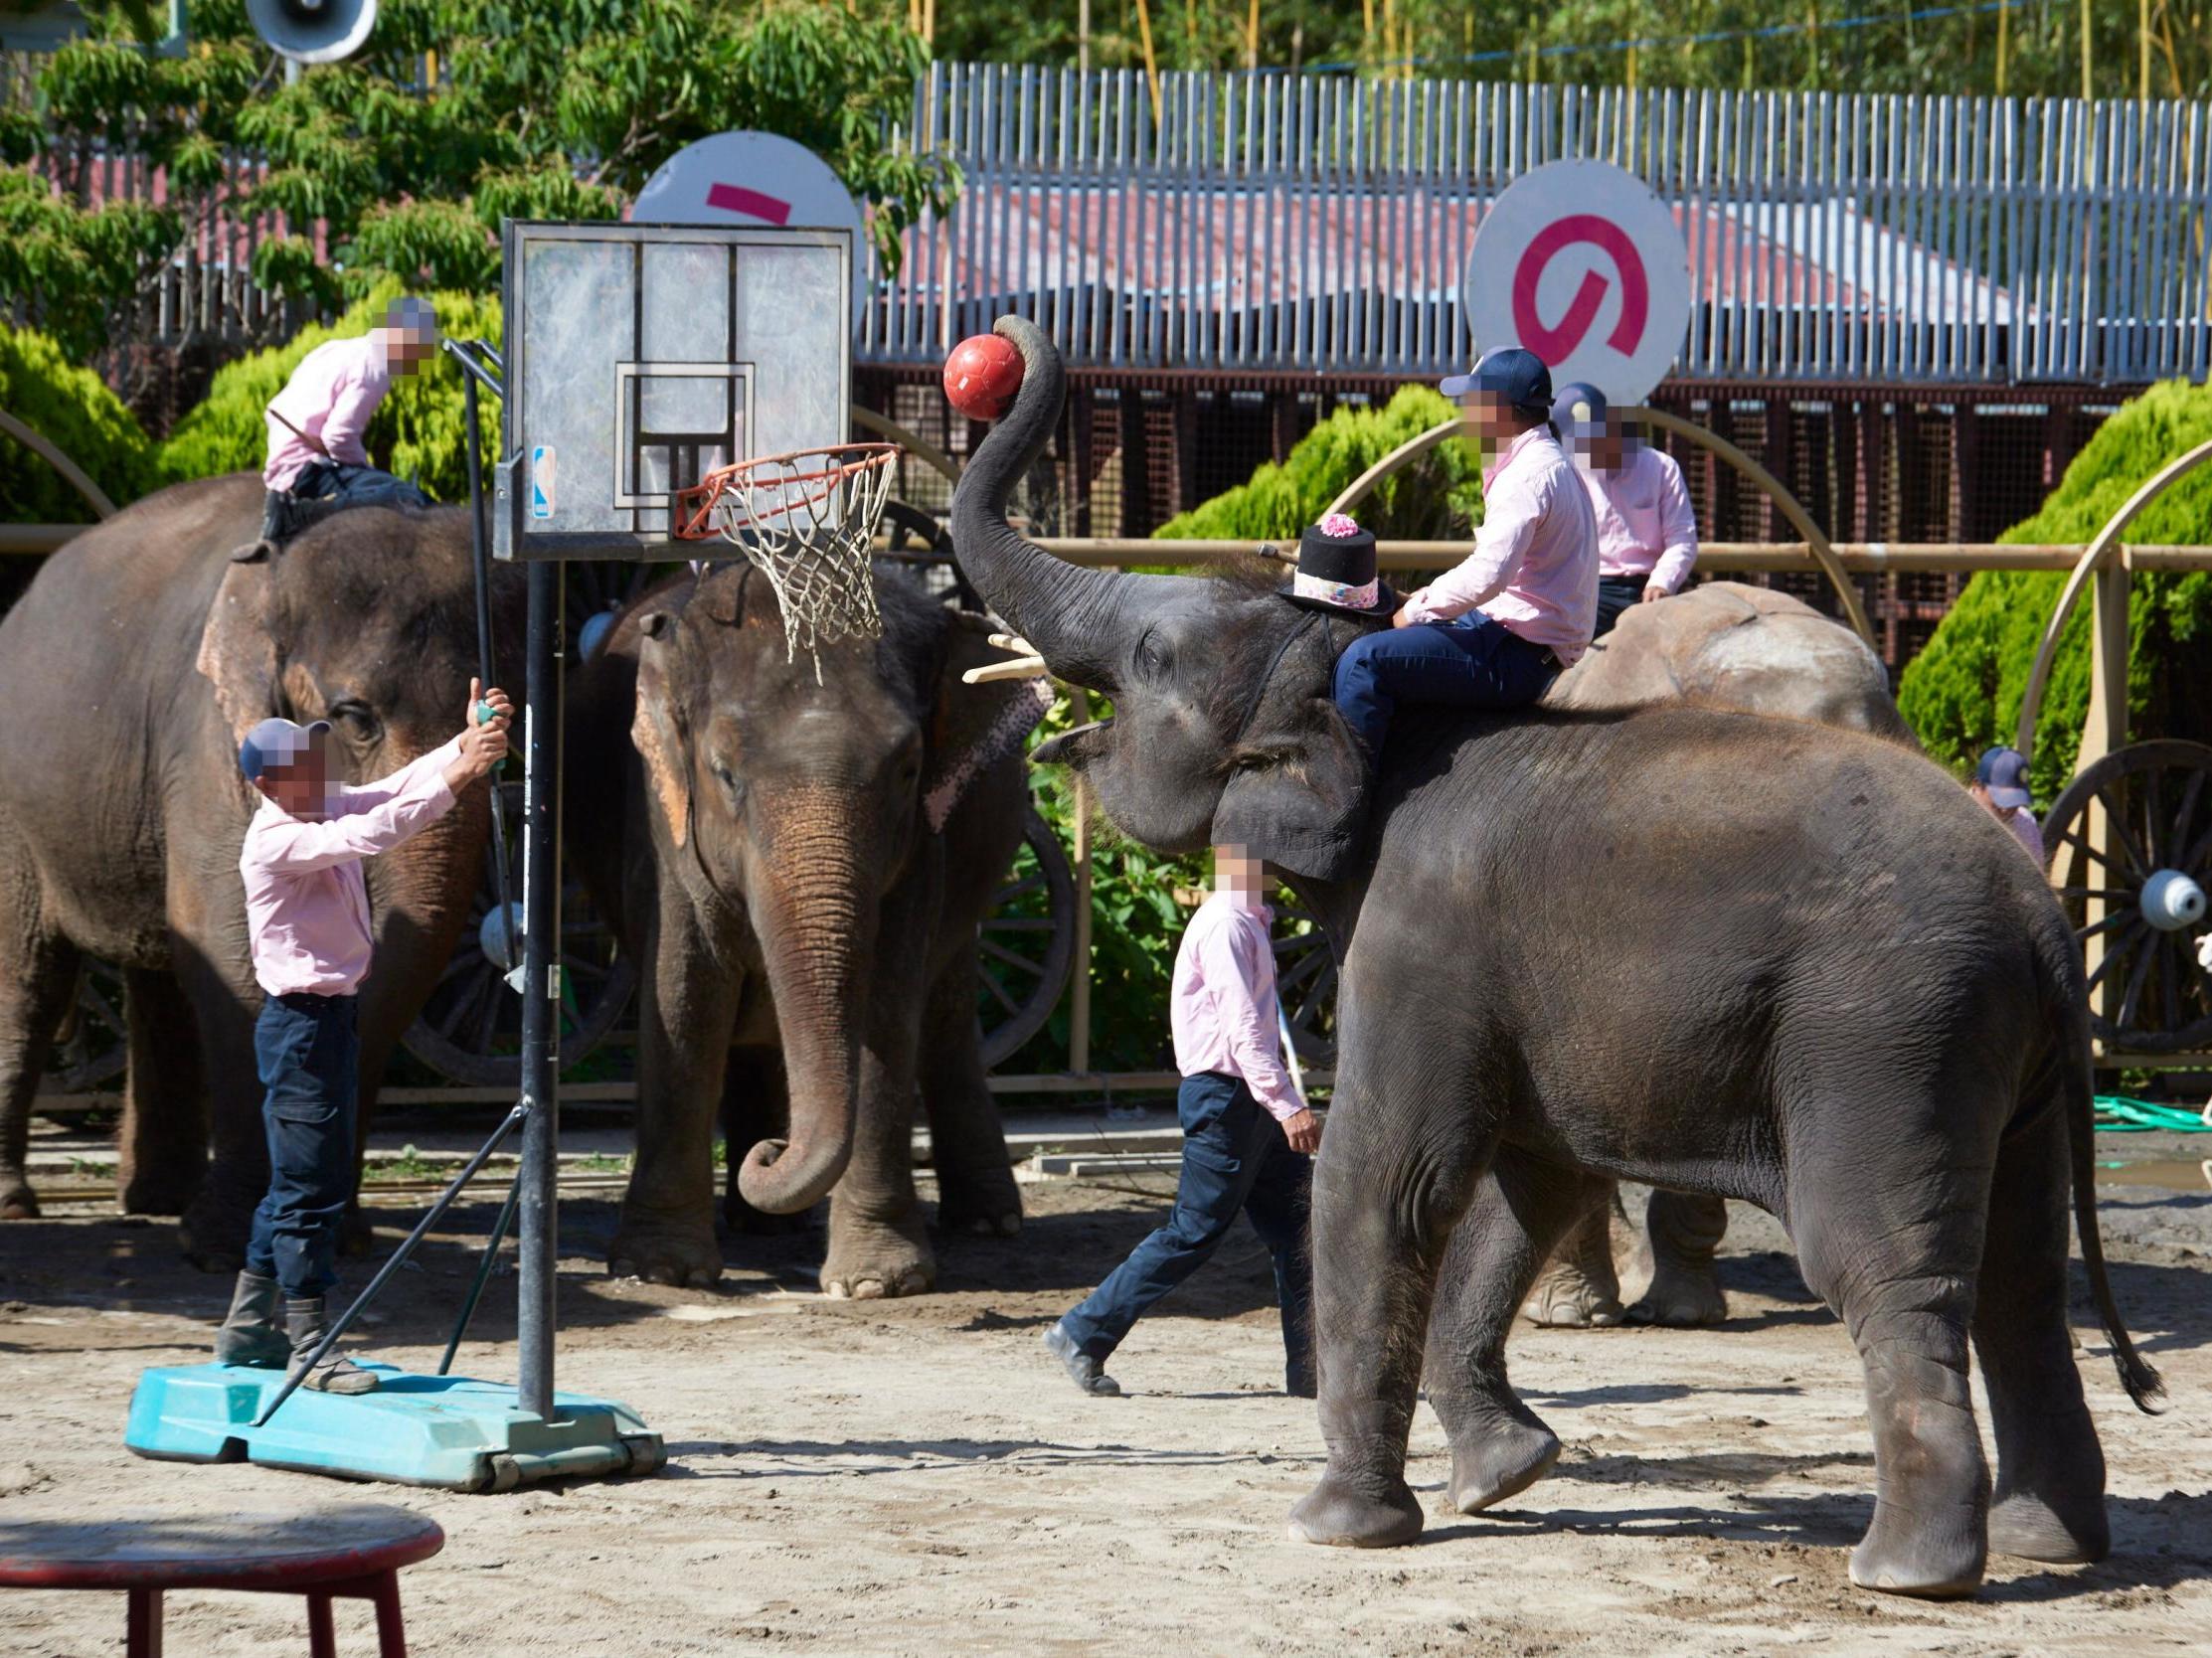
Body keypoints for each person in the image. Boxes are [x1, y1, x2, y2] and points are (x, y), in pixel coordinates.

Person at [214, 680, 513, 1393]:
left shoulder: (315, 804)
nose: (321, 774)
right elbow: (376, 831)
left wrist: (463, 744)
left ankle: (248, 1327)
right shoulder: (281, 837)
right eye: (303, 768)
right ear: (267, 784)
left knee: (300, 1178)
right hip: (299, 1028)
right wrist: (464, 776)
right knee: (312, 1187)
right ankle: (308, 1343)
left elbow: (389, 791)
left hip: (329, 1021)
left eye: (320, 761)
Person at [1042, 844, 1321, 1399]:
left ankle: (1313, 1373)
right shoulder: (1227, 925)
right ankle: (1083, 1330)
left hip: (1244, 1097)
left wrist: (1278, 1099)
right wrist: (1286, 1103)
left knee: (1299, 1234)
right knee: (1193, 1231)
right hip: (1229, 1096)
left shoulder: (1246, 921)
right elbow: (1243, 1028)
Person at [1331, 346, 1598, 762]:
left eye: (1475, 401)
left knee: (1363, 661)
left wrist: (1417, 610)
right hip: (1522, 638)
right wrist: (1431, 600)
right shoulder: (1548, 462)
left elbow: (1490, 576)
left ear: (1500, 409)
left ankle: (1345, 805)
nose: (1469, 411)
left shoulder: (1527, 476)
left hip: (1516, 651)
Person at [252, 296, 439, 553]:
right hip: (308, 470)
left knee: (379, 484)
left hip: (282, 459)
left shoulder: (337, 348)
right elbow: (338, 436)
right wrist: (364, 467)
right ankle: (298, 515)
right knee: (408, 496)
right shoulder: (376, 367)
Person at [1554, 381, 1701, 638]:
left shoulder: (1661, 468)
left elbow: (1682, 539)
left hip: (1650, 586)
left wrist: (1661, 583)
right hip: (1588, 590)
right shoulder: (1567, 474)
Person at [1970, 746, 2043, 863]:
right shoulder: (1952, 819)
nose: (2007, 810)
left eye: (2014, 802)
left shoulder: (2027, 825)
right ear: (1977, 786)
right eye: (2000, 801)